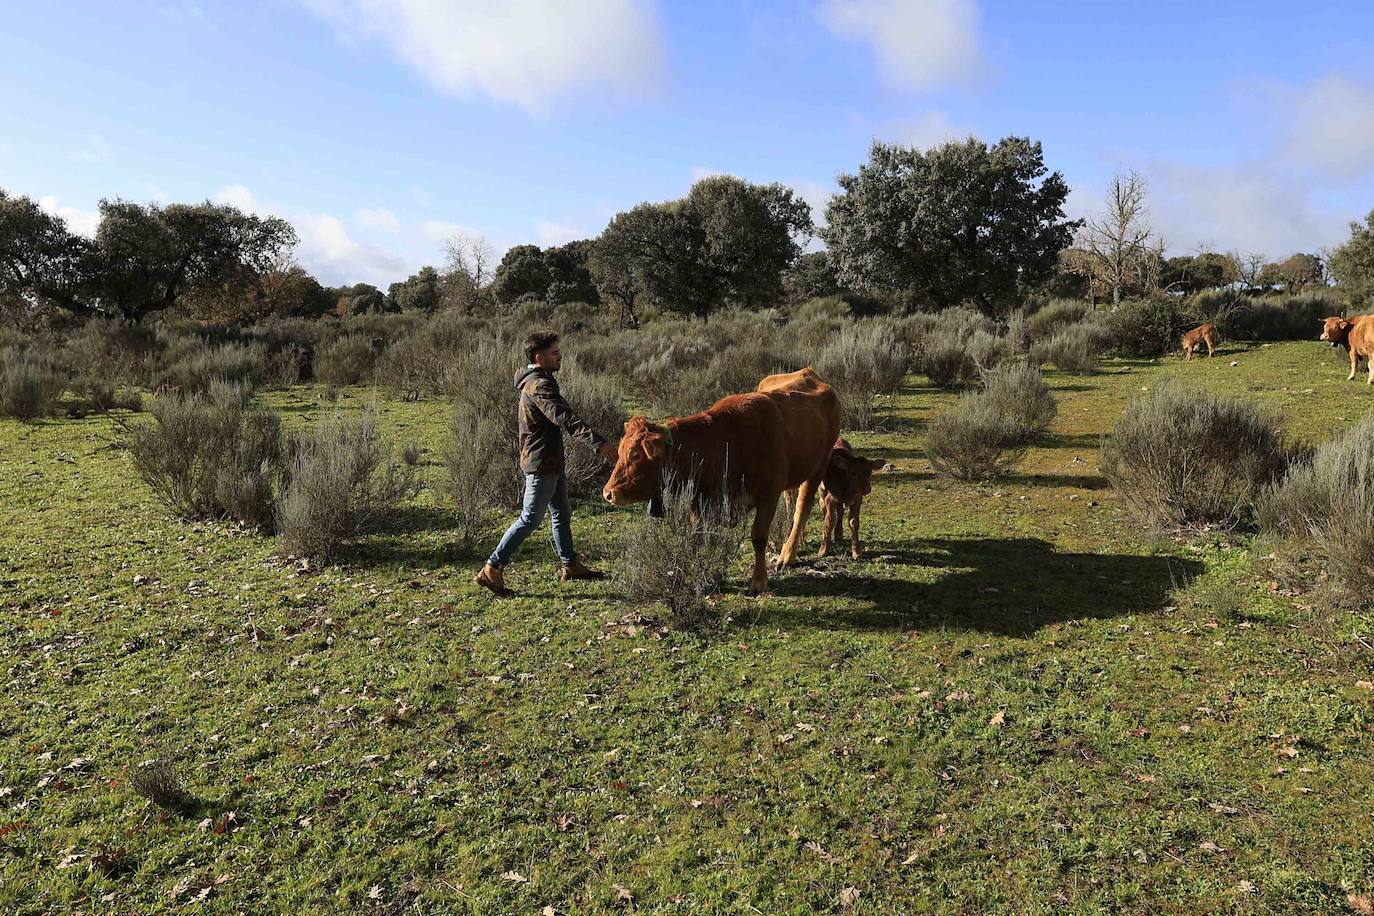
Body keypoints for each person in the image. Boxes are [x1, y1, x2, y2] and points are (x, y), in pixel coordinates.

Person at [474, 330, 619, 597]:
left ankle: (570, 565)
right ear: (539, 358)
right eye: (554, 353)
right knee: (529, 518)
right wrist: (599, 444)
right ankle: (492, 567)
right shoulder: (539, 385)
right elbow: (564, 417)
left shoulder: (542, 379)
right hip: (542, 462)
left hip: (551, 460)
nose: (560, 356)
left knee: (561, 514)